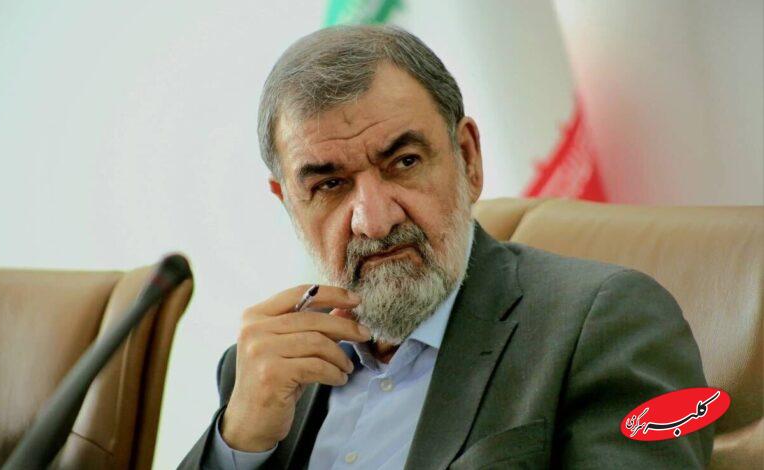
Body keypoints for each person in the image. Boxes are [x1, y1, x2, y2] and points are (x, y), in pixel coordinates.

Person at [179, 25, 712, 469]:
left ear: (467, 158)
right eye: (330, 184)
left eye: (404, 162)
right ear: (289, 204)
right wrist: (238, 443)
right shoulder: (260, 372)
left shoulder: (602, 323)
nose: (374, 221)